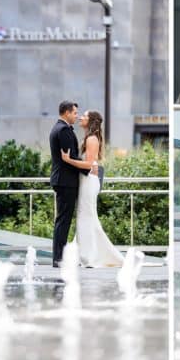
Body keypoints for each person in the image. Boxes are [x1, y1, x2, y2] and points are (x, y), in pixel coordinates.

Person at [60, 110, 124, 268]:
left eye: (84, 116)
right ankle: (84, 253)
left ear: (90, 121)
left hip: (89, 181)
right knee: (86, 217)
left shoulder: (92, 139)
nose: (81, 117)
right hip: (86, 180)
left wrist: (68, 160)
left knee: (86, 216)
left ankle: (87, 256)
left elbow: (89, 165)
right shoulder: (89, 138)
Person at [48, 101, 85, 268]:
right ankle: (59, 258)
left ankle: (59, 257)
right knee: (63, 221)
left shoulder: (58, 128)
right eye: (75, 113)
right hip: (65, 181)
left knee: (62, 220)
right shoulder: (63, 130)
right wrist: (89, 168)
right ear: (66, 113)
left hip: (63, 180)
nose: (76, 116)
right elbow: (68, 159)